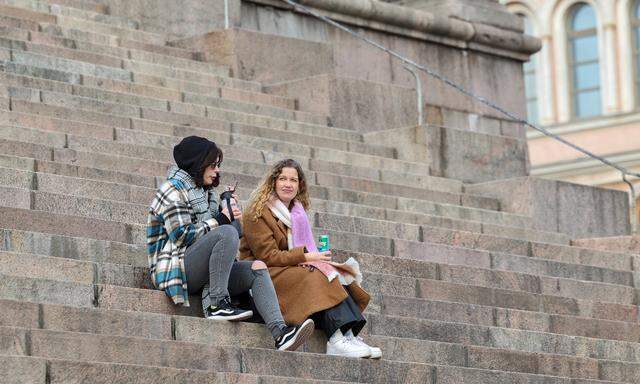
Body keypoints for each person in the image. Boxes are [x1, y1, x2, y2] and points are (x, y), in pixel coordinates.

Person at [147, 136, 314, 351]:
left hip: (204, 269)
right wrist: (221, 220)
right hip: (175, 268)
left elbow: (229, 237)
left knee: (257, 267)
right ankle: (217, 303)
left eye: (218, 165)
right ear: (197, 163)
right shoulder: (171, 190)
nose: (217, 170)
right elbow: (182, 236)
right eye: (213, 165)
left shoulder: (207, 194)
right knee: (224, 230)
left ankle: (280, 333)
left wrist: (233, 215)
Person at [239, 158, 382, 359]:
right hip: (262, 273)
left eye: (293, 180)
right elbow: (268, 256)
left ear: (300, 185)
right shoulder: (257, 212)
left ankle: (347, 334)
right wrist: (306, 256)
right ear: (273, 182)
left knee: (332, 272)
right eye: (282, 179)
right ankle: (336, 338)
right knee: (316, 274)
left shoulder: (297, 213)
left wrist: (315, 259)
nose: (288, 184)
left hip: (286, 268)